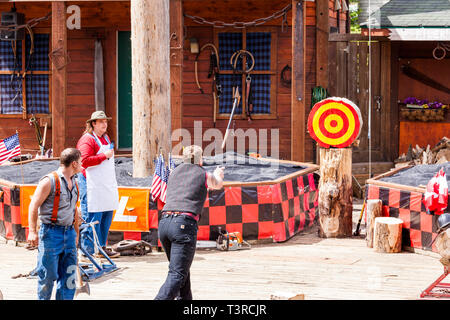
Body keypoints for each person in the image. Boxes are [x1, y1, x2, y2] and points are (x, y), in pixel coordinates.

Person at [155, 145, 224, 300]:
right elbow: (217, 184)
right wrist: (218, 174)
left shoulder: (173, 173)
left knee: (180, 271)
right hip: (183, 225)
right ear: (200, 160)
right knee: (178, 274)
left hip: (165, 223)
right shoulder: (203, 174)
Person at [27, 148, 82, 300]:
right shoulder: (49, 181)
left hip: (69, 233)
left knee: (69, 277)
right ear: (74, 164)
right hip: (51, 233)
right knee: (47, 276)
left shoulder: (75, 182)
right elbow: (33, 205)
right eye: (81, 162)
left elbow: (74, 209)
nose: (83, 165)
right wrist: (32, 231)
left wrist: (76, 233)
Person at [76, 111, 120, 259]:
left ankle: (101, 248)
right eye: (101, 122)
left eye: (105, 122)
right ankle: (86, 250)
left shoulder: (105, 137)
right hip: (91, 184)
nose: (104, 124)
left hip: (104, 184)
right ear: (93, 123)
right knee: (92, 217)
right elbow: (84, 161)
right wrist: (103, 156)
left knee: (106, 215)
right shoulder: (87, 140)